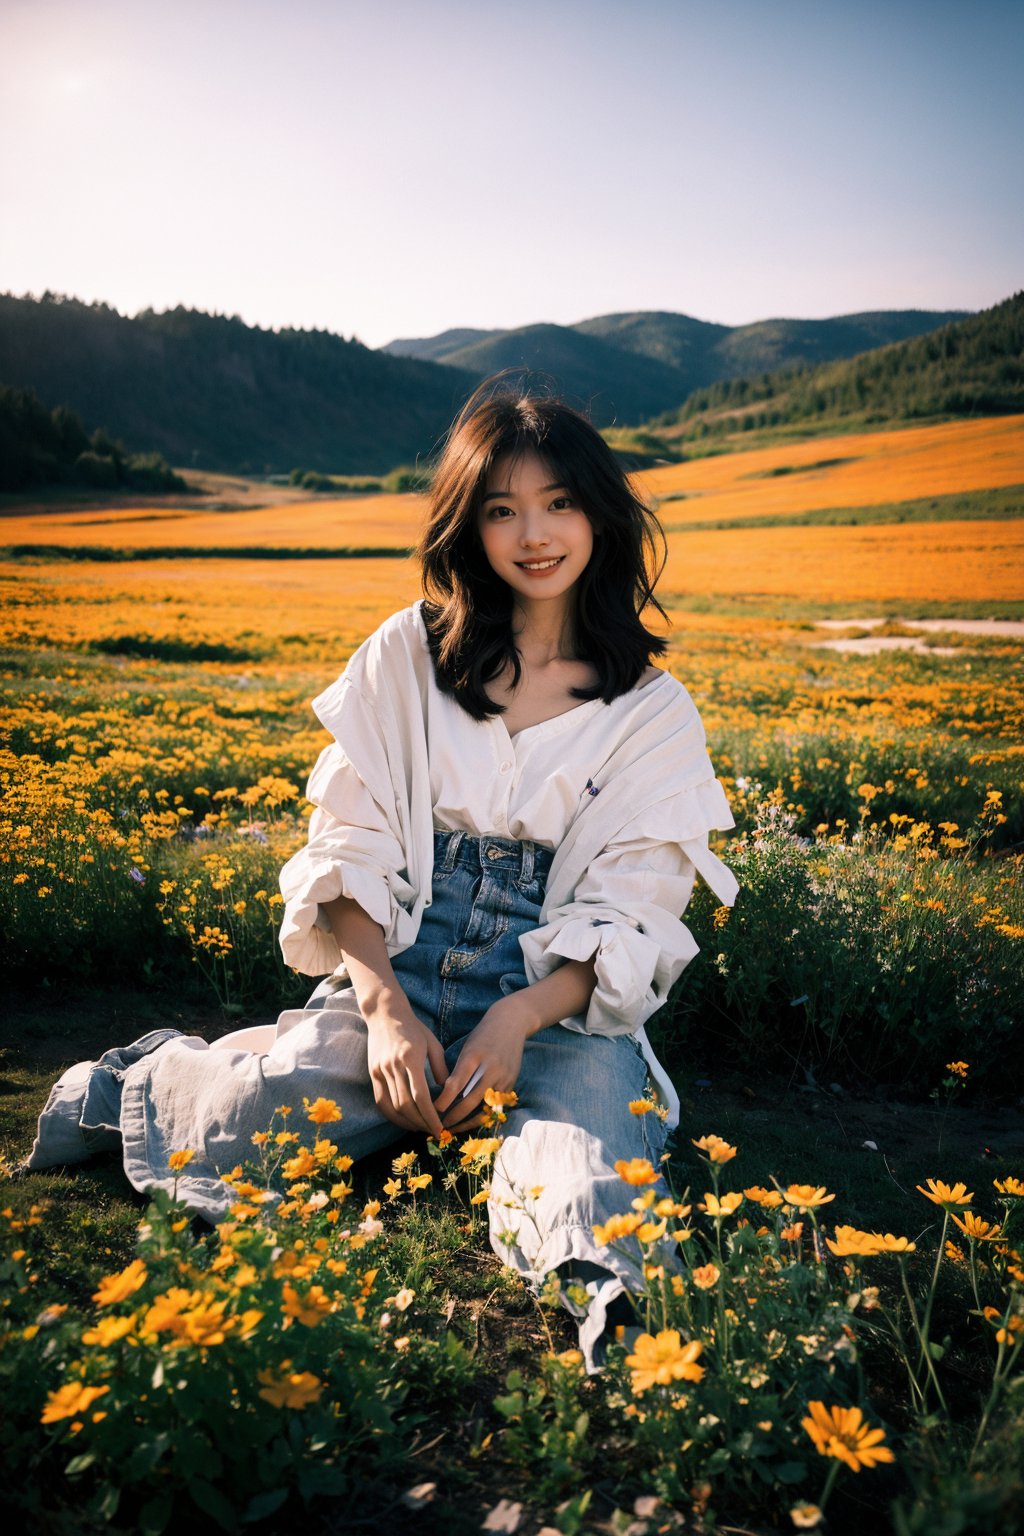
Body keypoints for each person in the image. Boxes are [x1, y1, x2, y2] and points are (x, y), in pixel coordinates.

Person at [27, 376, 738, 1369]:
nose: (534, 533)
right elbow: (347, 847)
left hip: (553, 1005)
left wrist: (514, 1017)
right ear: (469, 528)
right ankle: (127, 1083)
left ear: (600, 515)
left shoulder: (653, 710)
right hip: (395, 962)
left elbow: (634, 908)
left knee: (580, 1161)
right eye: (502, 510)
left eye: (559, 502)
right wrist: (389, 1012)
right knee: (252, 1121)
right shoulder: (409, 653)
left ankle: (607, 1313)